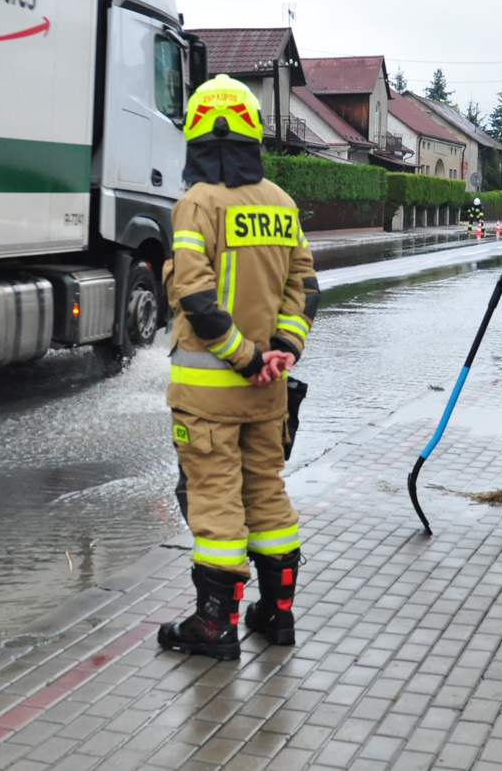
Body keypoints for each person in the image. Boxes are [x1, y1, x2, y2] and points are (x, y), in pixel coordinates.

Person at [158, 74, 318, 659]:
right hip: (268, 391)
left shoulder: (196, 203)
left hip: (210, 393)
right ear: (253, 132)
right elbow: (305, 286)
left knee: (215, 499)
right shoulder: (280, 201)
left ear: (196, 133)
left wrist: (248, 359)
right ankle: (276, 617)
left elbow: (195, 299)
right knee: (269, 496)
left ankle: (214, 626)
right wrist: (282, 351)